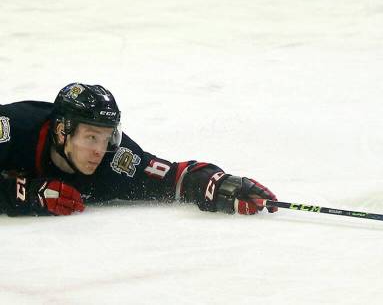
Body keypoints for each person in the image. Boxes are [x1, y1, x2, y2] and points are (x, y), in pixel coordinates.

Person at [1, 83, 277, 217]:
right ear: (62, 132)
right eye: (91, 137)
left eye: (107, 137)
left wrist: (221, 184)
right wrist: (18, 195)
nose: (100, 150)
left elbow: (173, 177)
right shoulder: (12, 129)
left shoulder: (114, 159)